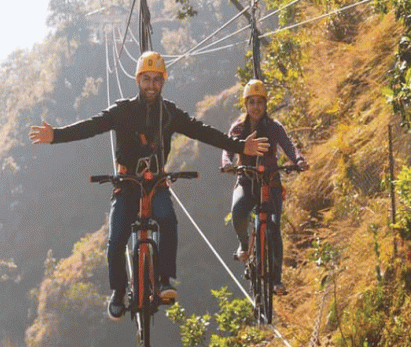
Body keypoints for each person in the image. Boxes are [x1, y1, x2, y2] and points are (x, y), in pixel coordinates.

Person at [29, 51, 270, 321]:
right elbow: (91, 126)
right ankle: (118, 292)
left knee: (168, 220)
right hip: (127, 182)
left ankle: (165, 279)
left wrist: (239, 146)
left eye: (157, 80)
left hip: (156, 181)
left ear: (163, 82)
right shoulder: (122, 111)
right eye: (147, 79)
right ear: (138, 80)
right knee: (116, 238)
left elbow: (201, 130)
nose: (151, 85)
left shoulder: (170, 114)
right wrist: (56, 136)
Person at [221, 79, 308, 296]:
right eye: (252, 102)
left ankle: (276, 280)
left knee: (274, 226)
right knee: (238, 212)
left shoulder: (274, 127)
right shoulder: (238, 128)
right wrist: (227, 164)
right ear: (245, 104)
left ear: (265, 104)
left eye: (260, 102)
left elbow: (288, 145)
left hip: (271, 182)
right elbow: (228, 149)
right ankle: (244, 244)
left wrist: (298, 160)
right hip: (247, 180)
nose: (256, 107)